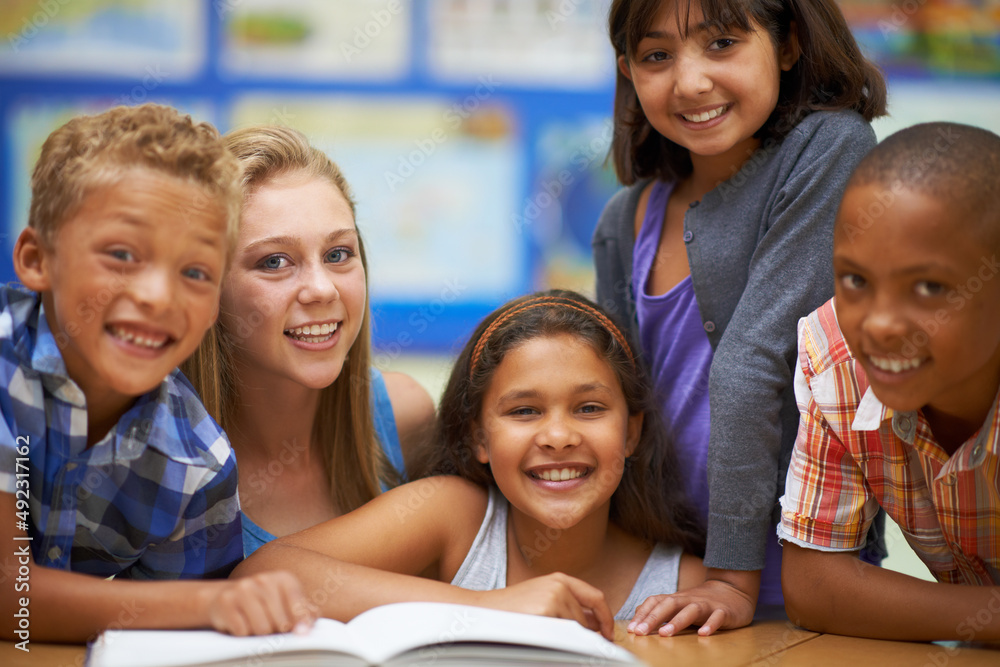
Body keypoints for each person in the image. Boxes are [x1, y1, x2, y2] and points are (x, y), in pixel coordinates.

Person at [592, 0, 888, 636]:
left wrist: (729, 577)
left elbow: (753, 357)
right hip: (665, 581)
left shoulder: (829, 148)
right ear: (629, 71)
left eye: (722, 43)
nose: (690, 81)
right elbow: (613, 404)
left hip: (796, 571)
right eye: (656, 56)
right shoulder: (628, 217)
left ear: (786, 46)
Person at [0, 104, 314, 643]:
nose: (157, 296)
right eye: (122, 254)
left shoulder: (198, 465)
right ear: (36, 259)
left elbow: (176, 648)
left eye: (194, 271)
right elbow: (11, 594)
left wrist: (211, 609)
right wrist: (207, 602)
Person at [231, 290, 706, 638]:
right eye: (524, 411)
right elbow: (260, 576)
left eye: (589, 408)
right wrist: (490, 608)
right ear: (478, 436)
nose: (559, 437)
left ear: (631, 432)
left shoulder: (682, 589)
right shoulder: (454, 514)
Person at [779, 122, 1000, 641]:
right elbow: (814, 587)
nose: (878, 324)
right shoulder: (836, 361)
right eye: (855, 280)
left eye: (928, 287)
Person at [182, 125, 435, 557]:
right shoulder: (157, 452)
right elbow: (26, 599)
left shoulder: (404, 419)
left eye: (338, 254)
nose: (322, 290)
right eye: (275, 261)